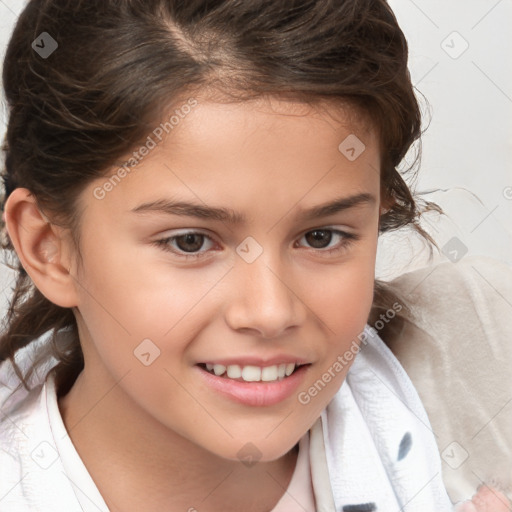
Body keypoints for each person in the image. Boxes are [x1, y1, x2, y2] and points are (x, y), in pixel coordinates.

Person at [0, 1, 508, 511]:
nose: (270, 312)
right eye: (190, 242)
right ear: (50, 249)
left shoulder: (482, 355)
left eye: (322, 237)